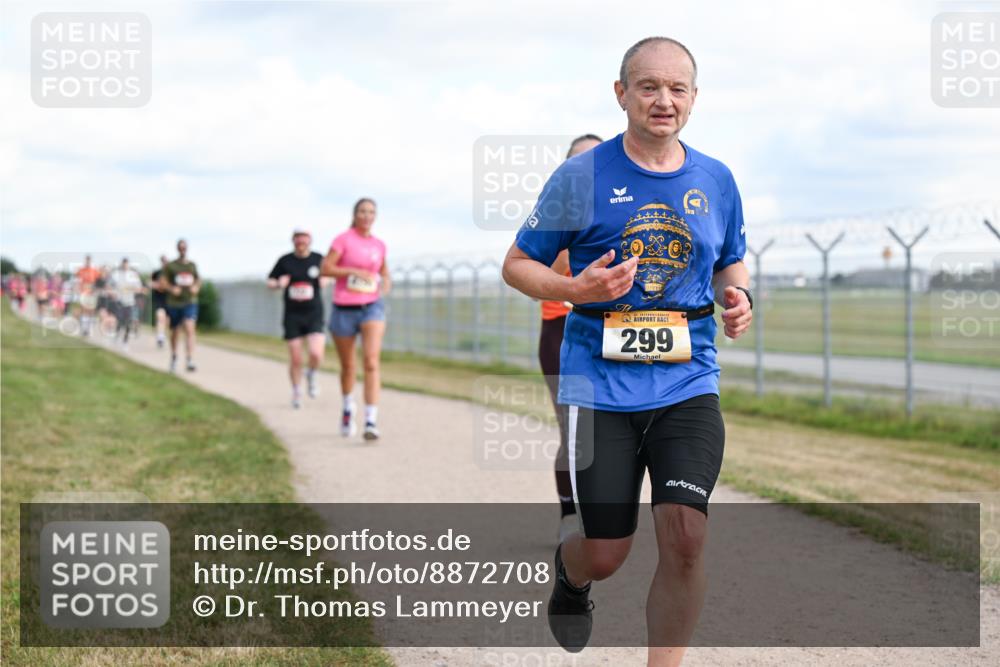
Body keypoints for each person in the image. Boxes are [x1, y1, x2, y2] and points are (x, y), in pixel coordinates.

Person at [502, 37, 752, 666]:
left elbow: (730, 260)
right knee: (606, 552)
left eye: (677, 88)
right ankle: (572, 573)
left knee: (686, 535)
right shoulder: (580, 176)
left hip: (687, 382)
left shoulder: (717, 179)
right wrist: (574, 289)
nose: (664, 100)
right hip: (599, 387)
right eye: (648, 86)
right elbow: (517, 264)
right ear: (622, 94)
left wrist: (739, 295)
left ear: (694, 98)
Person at [539, 134, 604, 545]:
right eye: (581, 161)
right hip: (561, 334)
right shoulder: (554, 215)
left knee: (613, 432)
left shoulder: (623, 208)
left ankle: (605, 517)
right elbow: (537, 278)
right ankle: (569, 514)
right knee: (575, 432)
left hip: (612, 335)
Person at [321, 198, 391, 440]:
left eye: (371, 212)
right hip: (344, 308)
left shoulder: (379, 245)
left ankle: (371, 421)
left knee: (371, 362)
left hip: (372, 307)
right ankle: (348, 407)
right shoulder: (343, 240)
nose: (367, 216)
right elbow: (326, 268)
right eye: (362, 211)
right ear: (355, 214)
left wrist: (385, 283)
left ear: (375, 216)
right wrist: (352, 271)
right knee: (349, 366)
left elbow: (384, 271)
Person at [268, 229, 327, 409]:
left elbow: (330, 275)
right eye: (298, 239)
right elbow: (270, 281)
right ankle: (296, 391)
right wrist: (279, 284)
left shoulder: (318, 258)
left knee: (316, 353)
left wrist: (326, 279)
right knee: (296, 357)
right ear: (293, 240)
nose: (301, 242)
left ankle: (311, 374)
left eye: (304, 238)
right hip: (293, 314)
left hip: (314, 313)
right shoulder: (285, 261)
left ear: (310, 240)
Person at [160, 239, 201, 373]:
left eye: (184, 247)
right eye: (180, 247)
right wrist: (172, 289)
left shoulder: (192, 266)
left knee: (190, 328)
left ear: (187, 249)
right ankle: (174, 357)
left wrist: (196, 287)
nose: (183, 250)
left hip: (189, 302)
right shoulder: (171, 266)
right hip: (174, 304)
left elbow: (198, 279)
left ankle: (190, 359)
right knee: (175, 332)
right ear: (177, 249)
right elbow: (162, 282)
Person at [109, 257, 145, 349]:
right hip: (119, 301)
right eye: (124, 264)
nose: (125, 266)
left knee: (128, 321)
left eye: (126, 264)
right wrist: (113, 293)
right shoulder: (116, 274)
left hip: (130, 302)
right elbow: (110, 285)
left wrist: (132, 289)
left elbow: (139, 288)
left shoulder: (133, 275)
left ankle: (125, 341)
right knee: (119, 320)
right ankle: (116, 336)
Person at [74, 255, 101, 336]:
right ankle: (83, 329)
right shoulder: (81, 270)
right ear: (85, 261)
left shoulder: (94, 271)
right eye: (87, 260)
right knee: (84, 310)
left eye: (89, 260)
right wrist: (77, 289)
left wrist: (96, 290)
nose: (88, 262)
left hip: (91, 293)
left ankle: (89, 329)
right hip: (83, 293)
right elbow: (76, 280)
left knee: (91, 311)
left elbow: (99, 281)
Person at [150, 255, 169, 347]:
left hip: (169, 299)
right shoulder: (156, 273)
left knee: (166, 320)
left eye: (165, 261)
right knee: (160, 316)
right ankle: (160, 336)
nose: (164, 263)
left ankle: (162, 334)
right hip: (159, 298)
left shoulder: (171, 273)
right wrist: (156, 285)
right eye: (163, 261)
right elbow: (150, 282)